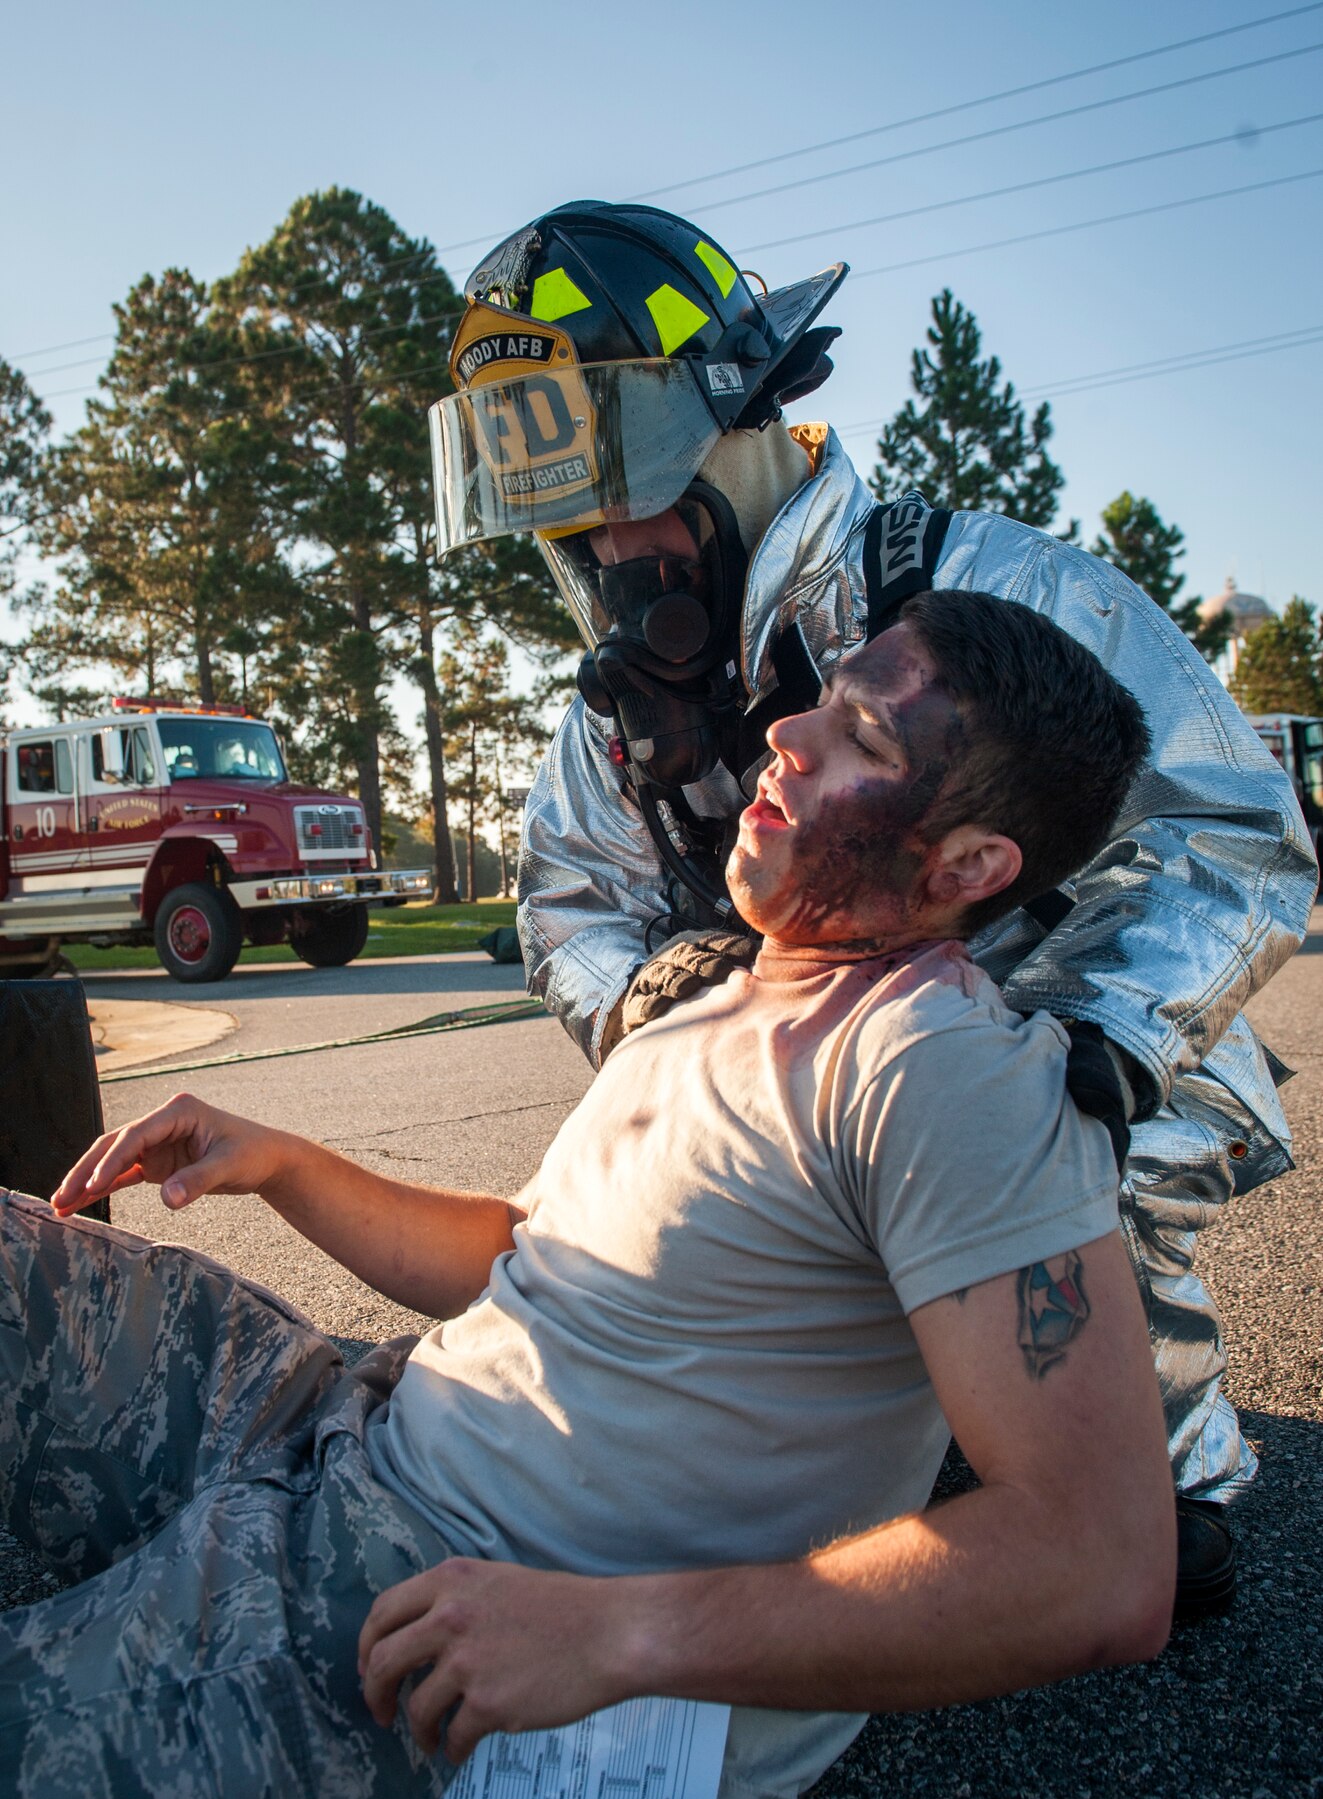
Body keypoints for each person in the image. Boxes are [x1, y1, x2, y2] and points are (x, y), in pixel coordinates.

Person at [3, 594, 1171, 1799]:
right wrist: (290, 1166)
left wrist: (619, 1634)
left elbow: (1101, 1563)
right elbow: (529, 1254)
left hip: (442, 1623)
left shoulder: (939, 1067)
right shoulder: (723, 997)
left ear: (969, 861)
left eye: (861, 737)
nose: (787, 736)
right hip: (337, 1420)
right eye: (821, 700)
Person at [428, 198, 1318, 1610]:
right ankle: (901, 1418)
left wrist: (1088, 1045)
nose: (606, 548)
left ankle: (1158, 1468)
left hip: (1058, 1049)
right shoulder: (615, 710)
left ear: (736, 424)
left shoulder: (982, 595)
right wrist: (651, 1004)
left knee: (1041, 1153)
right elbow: (564, 902)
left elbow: (1231, 824)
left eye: (626, 491)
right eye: (571, 516)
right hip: (805, 1091)